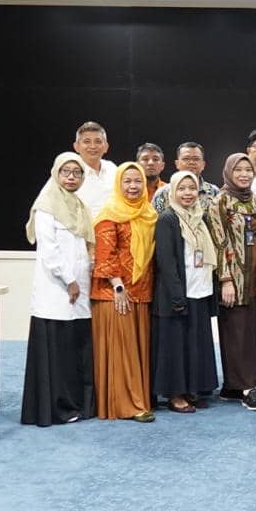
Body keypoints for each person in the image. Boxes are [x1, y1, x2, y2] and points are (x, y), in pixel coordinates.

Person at [21, 152, 96, 426]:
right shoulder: (46, 205)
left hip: (80, 291)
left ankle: (76, 405)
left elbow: (84, 248)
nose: (72, 177)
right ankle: (56, 409)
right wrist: (70, 280)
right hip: (57, 291)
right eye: (66, 172)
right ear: (56, 173)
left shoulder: (78, 206)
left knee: (75, 350)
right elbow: (49, 250)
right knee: (57, 352)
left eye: (77, 173)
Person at [90, 162, 157, 422]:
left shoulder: (148, 213)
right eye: (126, 181)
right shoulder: (109, 214)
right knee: (122, 352)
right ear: (118, 184)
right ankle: (128, 405)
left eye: (137, 181)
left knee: (136, 350)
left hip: (141, 291)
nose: (132, 186)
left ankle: (139, 397)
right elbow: (105, 255)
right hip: (115, 294)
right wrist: (118, 287)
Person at [152, 171, 220, 414]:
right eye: (182, 189)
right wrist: (177, 295)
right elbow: (167, 262)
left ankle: (193, 389)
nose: (188, 193)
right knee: (176, 346)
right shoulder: (168, 219)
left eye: (192, 188)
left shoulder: (199, 218)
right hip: (177, 295)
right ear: (172, 192)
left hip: (199, 291)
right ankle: (175, 394)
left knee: (195, 343)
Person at [208, 153, 256, 411]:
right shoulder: (219, 201)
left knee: (248, 333)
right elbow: (218, 242)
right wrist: (225, 280)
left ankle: (232, 386)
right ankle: (247, 388)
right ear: (228, 172)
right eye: (238, 170)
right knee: (235, 332)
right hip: (233, 279)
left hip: (255, 276)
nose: (244, 175)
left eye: (248, 170)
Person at [152, 142, 219, 213]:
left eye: (196, 159)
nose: (191, 162)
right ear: (177, 164)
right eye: (186, 159)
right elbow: (156, 222)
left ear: (203, 164)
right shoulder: (163, 193)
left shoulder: (214, 192)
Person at [73, 121, 117, 217]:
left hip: (112, 229)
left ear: (106, 147)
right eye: (87, 141)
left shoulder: (112, 168)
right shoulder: (68, 172)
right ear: (76, 147)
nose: (93, 146)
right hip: (81, 230)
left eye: (98, 141)